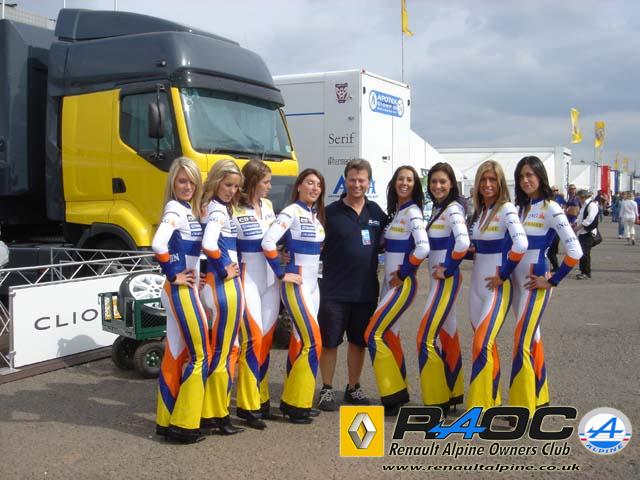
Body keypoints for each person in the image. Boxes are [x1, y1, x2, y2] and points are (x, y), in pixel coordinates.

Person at [510, 156, 582, 415]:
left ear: (540, 177)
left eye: (530, 175)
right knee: (533, 337)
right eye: (521, 176)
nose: (525, 180)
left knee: (521, 341)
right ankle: (540, 397)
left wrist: (552, 280)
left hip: (535, 284)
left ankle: (523, 408)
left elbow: (575, 251)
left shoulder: (551, 208)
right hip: (515, 285)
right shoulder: (518, 208)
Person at [316, 159, 388, 411]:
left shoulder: (376, 212)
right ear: (345, 180)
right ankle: (326, 388)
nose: (357, 184)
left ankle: (353, 387)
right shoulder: (330, 212)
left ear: (369, 182)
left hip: (365, 291)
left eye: (362, 180)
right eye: (352, 180)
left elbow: (392, 241)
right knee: (330, 342)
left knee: (358, 342)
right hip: (333, 291)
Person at [262, 169, 326, 424]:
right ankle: (297, 405)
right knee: (314, 341)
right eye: (309, 183)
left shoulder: (314, 215)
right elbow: (268, 242)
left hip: (313, 285)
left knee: (300, 341)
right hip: (296, 283)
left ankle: (295, 400)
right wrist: (281, 272)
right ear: (299, 186)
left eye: (318, 184)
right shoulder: (291, 211)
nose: (314, 188)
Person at [365, 165, 429, 416]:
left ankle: (393, 393)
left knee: (373, 334)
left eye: (409, 180)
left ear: (415, 185)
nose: (404, 183)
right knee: (390, 336)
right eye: (400, 179)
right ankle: (399, 393)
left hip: (401, 284)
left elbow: (422, 248)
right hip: (388, 284)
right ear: (394, 183)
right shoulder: (397, 213)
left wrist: (403, 273)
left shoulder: (413, 212)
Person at [152, 157, 208, 444]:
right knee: (201, 355)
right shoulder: (175, 209)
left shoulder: (188, 210)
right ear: (173, 182)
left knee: (174, 354)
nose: (187, 186)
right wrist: (174, 274)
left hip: (184, 289)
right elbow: (158, 243)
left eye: (192, 182)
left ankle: (165, 421)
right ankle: (185, 425)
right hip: (180, 291)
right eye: (182, 181)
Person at [467, 160, 527, 409]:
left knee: (481, 344)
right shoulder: (480, 211)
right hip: (476, 288)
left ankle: (478, 408)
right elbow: (476, 248)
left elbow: (521, 244)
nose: (487, 184)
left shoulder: (507, 209)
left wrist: (503, 273)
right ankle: (492, 401)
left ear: (501, 182)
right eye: (483, 179)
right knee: (485, 346)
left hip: (497, 288)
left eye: (492, 179)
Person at [231, 160, 280, 429]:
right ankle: (248, 408)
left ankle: (261, 399)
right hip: (247, 277)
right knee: (252, 340)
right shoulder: (233, 207)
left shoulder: (269, 206)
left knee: (266, 341)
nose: (270, 186)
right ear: (252, 182)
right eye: (266, 182)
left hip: (270, 280)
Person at [418, 162, 469, 414]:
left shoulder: (453, 209)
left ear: (452, 184)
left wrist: (448, 268)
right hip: (438, 280)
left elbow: (463, 242)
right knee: (448, 333)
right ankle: (452, 391)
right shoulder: (439, 208)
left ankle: (436, 400)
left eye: (443, 182)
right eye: (434, 182)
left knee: (424, 337)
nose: (437, 186)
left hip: (445, 281)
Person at [200, 159, 245, 435]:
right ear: (216, 181)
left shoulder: (210, 206)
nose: (232, 190)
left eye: (236, 187)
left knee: (223, 348)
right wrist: (223, 269)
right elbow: (208, 244)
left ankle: (212, 411)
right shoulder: (217, 210)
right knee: (224, 351)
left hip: (215, 286)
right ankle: (218, 415)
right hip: (223, 286)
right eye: (228, 184)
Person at [574, 190, 599, 279]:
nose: (578, 200)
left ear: (582, 197)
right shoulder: (585, 205)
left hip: (588, 232)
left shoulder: (592, 205)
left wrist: (578, 227)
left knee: (585, 253)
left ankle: (586, 272)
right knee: (582, 252)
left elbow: (589, 219)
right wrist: (575, 223)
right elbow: (580, 217)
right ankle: (584, 271)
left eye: (578, 198)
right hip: (583, 232)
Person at [546, 186, 566, 272]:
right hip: (552, 229)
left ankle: (557, 268)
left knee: (551, 252)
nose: (555, 192)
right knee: (551, 252)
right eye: (554, 190)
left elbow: (565, 204)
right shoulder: (549, 201)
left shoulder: (559, 198)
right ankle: (556, 267)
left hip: (555, 229)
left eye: (556, 190)